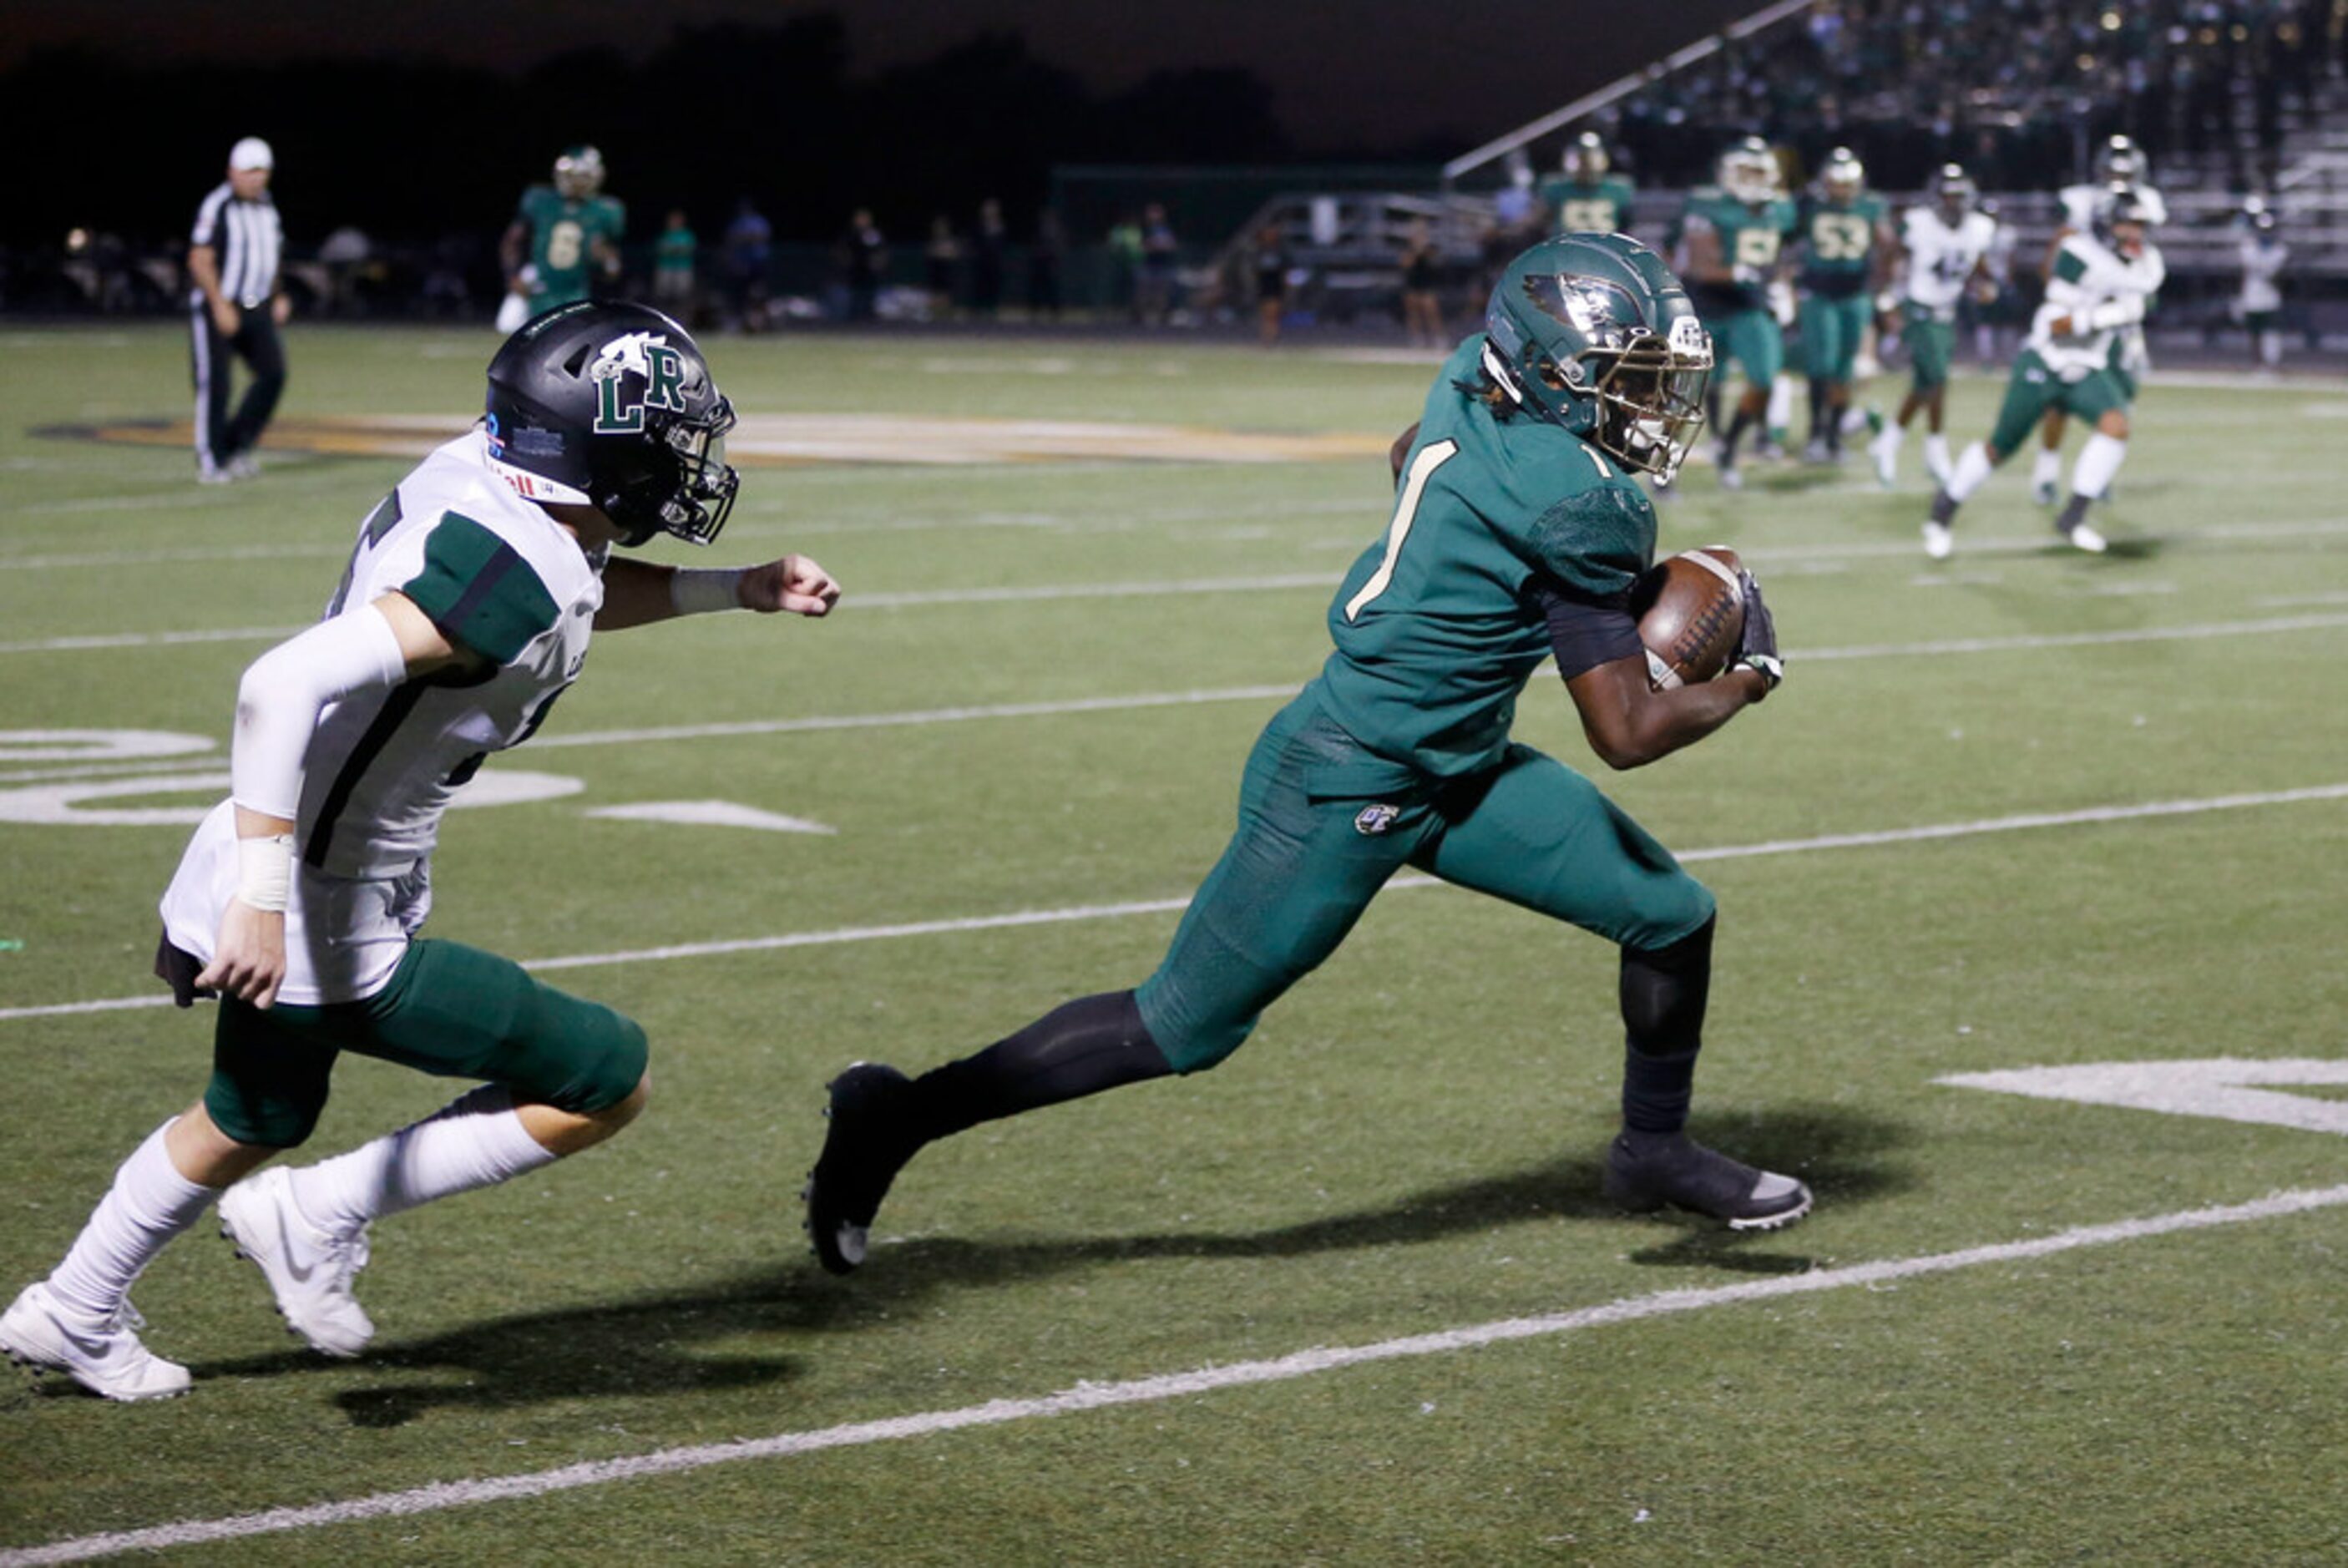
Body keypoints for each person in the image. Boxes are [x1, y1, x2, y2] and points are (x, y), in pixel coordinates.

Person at [802, 233, 1804, 1278]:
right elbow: (1627, 733)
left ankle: (1652, 1149)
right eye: (1625, 379)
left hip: (1456, 766)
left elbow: (1408, 446)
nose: (1647, 406)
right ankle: (894, 1116)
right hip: (1350, 775)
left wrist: (1488, 569)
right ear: (1550, 369)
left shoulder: (1474, 373)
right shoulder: (1583, 505)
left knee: (1670, 913)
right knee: (1178, 1027)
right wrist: (1752, 674)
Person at [0, 302, 842, 1401]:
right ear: (598, 437)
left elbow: (559, 594)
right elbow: (281, 681)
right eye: (669, 437)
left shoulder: (489, 478)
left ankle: (74, 1305)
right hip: (319, 905)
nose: (685, 462)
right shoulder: (517, 563)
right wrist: (262, 895)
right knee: (604, 1073)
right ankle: (314, 1211)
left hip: (289, 858)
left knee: (254, 1114)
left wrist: (727, 589)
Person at [1923, 187, 2163, 560]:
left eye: (2140, 226)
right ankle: (1943, 512)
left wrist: (2124, 313)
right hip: (2045, 361)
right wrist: (2108, 315)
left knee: (2117, 425)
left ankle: (2073, 517)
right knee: (2000, 447)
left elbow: (2144, 300)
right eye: (2127, 225)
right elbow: (2059, 323)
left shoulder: (2149, 263)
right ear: (2107, 225)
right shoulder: (2079, 253)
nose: (2135, 235)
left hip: (2088, 365)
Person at [2032, 136, 2167, 505]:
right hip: (2087, 312)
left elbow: (2145, 254)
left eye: (2125, 172)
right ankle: (2046, 472)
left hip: (2120, 316)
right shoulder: (2083, 201)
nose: (2118, 178)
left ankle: (2096, 474)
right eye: (2112, 171)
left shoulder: (2147, 203)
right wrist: (2057, 292)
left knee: (2121, 396)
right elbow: (2061, 244)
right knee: (2061, 394)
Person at [1675, 138, 1796, 490]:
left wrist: (1783, 283)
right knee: (1688, 395)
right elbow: (1700, 266)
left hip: (1751, 307)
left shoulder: (1782, 208)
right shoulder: (1707, 204)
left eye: (1758, 172)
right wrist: (1743, 272)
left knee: (1763, 380)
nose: (1752, 178)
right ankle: (1664, 468)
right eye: (1745, 171)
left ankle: (1728, 449)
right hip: (1708, 307)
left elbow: (1783, 254)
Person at [1870, 165, 1999, 488]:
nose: (1954, 204)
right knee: (1937, 378)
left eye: (1959, 197)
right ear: (1936, 198)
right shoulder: (1919, 224)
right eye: (1948, 197)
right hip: (1918, 309)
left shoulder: (1979, 228)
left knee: (1925, 382)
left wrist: (1984, 284)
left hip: (1946, 311)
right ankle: (1935, 448)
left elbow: (1973, 267)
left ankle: (1888, 442)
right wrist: (1885, 298)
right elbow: (1889, 256)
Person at [188, 137, 289, 484]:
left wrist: (277, 295)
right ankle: (211, 458)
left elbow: (270, 256)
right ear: (233, 172)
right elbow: (201, 259)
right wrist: (218, 304)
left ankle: (236, 447)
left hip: (256, 305)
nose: (257, 178)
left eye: (262, 171)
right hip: (221, 306)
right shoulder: (218, 205)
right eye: (250, 171)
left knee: (272, 374)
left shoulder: (267, 208)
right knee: (215, 383)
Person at [1792, 148, 1892, 465]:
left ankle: (1834, 435)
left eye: (1847, 184)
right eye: (1836, 183)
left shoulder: (1871, 206)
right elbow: (1784, 235)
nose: (1841, 191)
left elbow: (1887, 245)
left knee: (1844, 370)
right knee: (1821, 366)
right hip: (1820, 293)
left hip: (1855, 295)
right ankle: (1815, 434)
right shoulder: (1811, 205)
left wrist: (1882, 284)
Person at [499, 146, 625, 329]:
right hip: (537, 284)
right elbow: (512, 242)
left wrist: (607, 261)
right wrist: (512, 277)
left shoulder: (606, 210)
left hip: (576, 291)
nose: (575, 182)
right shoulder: (540, 200)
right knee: (506, 327)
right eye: (571, 175)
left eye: (581, 176)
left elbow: (612, 271)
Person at [1541, 130, 1637, 237]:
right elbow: (1541, 224)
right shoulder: (1555, 188)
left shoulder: (1618, 189)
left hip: (1604, 250)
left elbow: (1627, 227)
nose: (1586, 164)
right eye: (1582, 158)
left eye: (1590, 157)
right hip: (1566, 250)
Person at [2237, 206, 2288, 373]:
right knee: (2254, 332)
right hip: (2252, 294)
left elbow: (2277, 274)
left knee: (2272, 331)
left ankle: (2272, 364)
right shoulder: (2248, 247)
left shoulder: (2280, 250)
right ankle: (2257, 364)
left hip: (2271, 295)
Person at [722, 198, 773, 333]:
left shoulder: (758, 221)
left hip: (758, 265)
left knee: (759, 294)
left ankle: (763, 324)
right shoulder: (737, 223)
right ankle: (743, 324)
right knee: (741, 297)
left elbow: (760, 237)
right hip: (741, 266)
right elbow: (732, 241)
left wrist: (745, 238)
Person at [1399, 219, 1445, 349]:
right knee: (1413, 311)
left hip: (1426, 282)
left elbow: (1436, 262)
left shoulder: (1431, 247)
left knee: (1431, 311)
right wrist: (1415, 252)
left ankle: (1438, 337)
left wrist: (1424, 251)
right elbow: (1405, 264)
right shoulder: (1407, 248)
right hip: (1412, 282)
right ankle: (1417, 338)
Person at [839, 209, 887, 323]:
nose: (862, 221)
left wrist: (878, 264)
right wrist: (846, 263)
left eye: (865, 219)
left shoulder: (873, 234)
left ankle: (868, 317)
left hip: (869, 271)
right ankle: (853, 319)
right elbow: (843, 250)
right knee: (855, 295)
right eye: (860, 218)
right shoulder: (850, 234)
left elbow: (880, 250)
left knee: (869, 295)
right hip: (854, 270)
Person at [652, 209, 697, 323]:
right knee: (663, 295)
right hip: (666, 268)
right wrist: (675, 249)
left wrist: (673, 250)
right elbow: (660, 249)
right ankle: (664, 319)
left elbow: (688, 249)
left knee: (682, 296)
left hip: (682, 268)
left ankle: (683, 320)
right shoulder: (665, 235)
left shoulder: (686, 235)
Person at [1252, 223, 1290, 346]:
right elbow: (1254, 270)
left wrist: (1287, 287)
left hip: (1276, 287)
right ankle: (1267, 338)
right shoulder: (1259, 251)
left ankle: (1270, 338)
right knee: (1265, 315)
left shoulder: (1281, 252)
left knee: (1273, 315)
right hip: (1263, 287)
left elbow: (1287, 271)